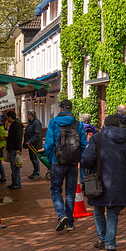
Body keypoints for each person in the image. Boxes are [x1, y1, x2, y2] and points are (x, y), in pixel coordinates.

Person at [81, 115, 126, 251]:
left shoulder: (97, 139)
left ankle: (102, 239)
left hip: (99, 180)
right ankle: (110, 246)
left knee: (98, 211)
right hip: (119, 181)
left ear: (104, 125)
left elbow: (86, 159)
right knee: (112, 215)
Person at [44, 99, 87, 232]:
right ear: (71, 109)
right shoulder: (78, 124)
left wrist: (50, 158)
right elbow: (84, 144)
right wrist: (78, 158)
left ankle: (61, 215)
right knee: (70, 192)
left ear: (61, 109)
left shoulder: (54, 122)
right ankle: (70, 223)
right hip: (73, 163)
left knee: (56, 190)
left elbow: (49, 144)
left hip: (57, 162)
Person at [5, 110, 23, 190]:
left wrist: (17, 149)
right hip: (13, 148)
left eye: (7, 117)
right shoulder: (14, 125)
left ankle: (17, 183)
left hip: (14, 149)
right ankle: (15, 182)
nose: (7, 119)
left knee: (15, 167)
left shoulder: (16, 125)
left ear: (10, 117)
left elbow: (18, 138)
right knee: (14, 167)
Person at [24, 110, 43, 179]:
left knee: (34, 158)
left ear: (31, 115)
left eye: (28, 115)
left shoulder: (36, 123)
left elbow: (37, 134)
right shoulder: (31, 123)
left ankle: (37, 172)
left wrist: (30, 141)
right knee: (32, 158)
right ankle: (35, 171)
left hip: (34, 144)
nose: (27, 116)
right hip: (31, 144)